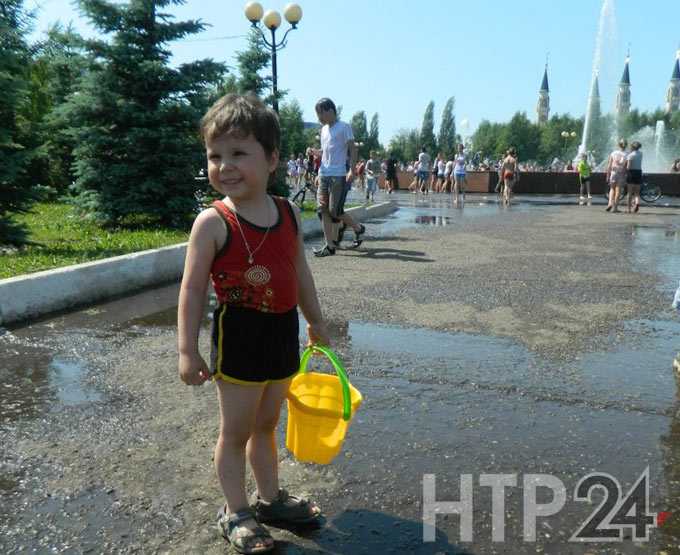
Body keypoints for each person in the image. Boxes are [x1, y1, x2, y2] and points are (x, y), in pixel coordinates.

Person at [178, 94, 328, 554]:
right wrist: (187, 349)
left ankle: (270, 499)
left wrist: (316, 321)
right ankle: (236, 511)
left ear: (272, 159)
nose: (225, 166)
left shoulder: (287, 213)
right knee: (236, 431)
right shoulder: (213, 222)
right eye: (215, 155)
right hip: (240, 336)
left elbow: (299, 272)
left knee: (267, 424)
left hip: (282, 332)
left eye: (239, 153)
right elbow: (192, 289)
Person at [313, 97, 366, 257]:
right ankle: (329, 246)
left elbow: (352, 149)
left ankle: (358, 228)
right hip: (324, 174)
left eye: (320, 113)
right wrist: (316, 160)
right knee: (322, 210)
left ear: (330, 110)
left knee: (335, 211)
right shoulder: (323, 130)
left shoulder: (344, 127)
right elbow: (326, 152)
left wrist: (352, 170)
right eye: (317, 114)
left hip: (338, 175)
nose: (319, 118)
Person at [605, 139, 628, 213]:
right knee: (618, 191)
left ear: (618, 145)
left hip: (613, 173)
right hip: (621, 173)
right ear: (626, 145)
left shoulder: (613, 153)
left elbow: (609, 165)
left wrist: (608, 175)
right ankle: (615, 208)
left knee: (612, 189)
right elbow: (626, 167)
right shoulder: (627, 154)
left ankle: (609, 203)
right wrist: (626, 175)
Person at [626, 141, 643, 214]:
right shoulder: (641, 154)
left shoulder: (630, 155)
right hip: (639, 172)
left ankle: (629, 209)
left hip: (631, 173)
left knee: (629, 192)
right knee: (637, 193)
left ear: (632, 147)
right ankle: (637, 203)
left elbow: (628, 167)